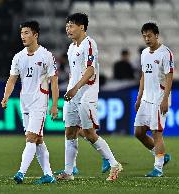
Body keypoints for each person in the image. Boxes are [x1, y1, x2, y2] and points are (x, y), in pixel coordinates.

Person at [56, 13, 122, 181]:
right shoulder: (71, 48)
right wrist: (70, 88)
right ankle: (68, 172)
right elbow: (74, 73)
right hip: (73, 94)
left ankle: (114, 164)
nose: (68, 29)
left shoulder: (89, 44)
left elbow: (90, 70)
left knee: (89, 133)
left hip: (87, 94)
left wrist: (76, 88)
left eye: (71, 25)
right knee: (70, 132)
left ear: (82, 27)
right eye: (67, 26)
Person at [1, 21, 59, 184]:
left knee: (31, 137)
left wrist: (54, 105)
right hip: (24, 102)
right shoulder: (18, 57)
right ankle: (48, 175)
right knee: (38, 139)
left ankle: (21, 172)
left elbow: (54, 81)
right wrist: (6, 96)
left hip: (39, 101)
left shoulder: (46, 55)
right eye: (21, 33)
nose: (23, 36)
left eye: (26, 33)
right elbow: (12, 80)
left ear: (35, 35)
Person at [134, 22, 172, 177]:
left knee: (157, 133)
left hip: (159, 98)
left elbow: (170, 77)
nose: (147, 39)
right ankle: (162, 156)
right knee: (138, 132)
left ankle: (158, 168)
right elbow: (143, 76)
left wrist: (165, 100)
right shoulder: (144, 53)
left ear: (156, 35)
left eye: (149, 35)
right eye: (144, 36)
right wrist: (139, 97)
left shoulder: (165, 53)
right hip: (146, 99)